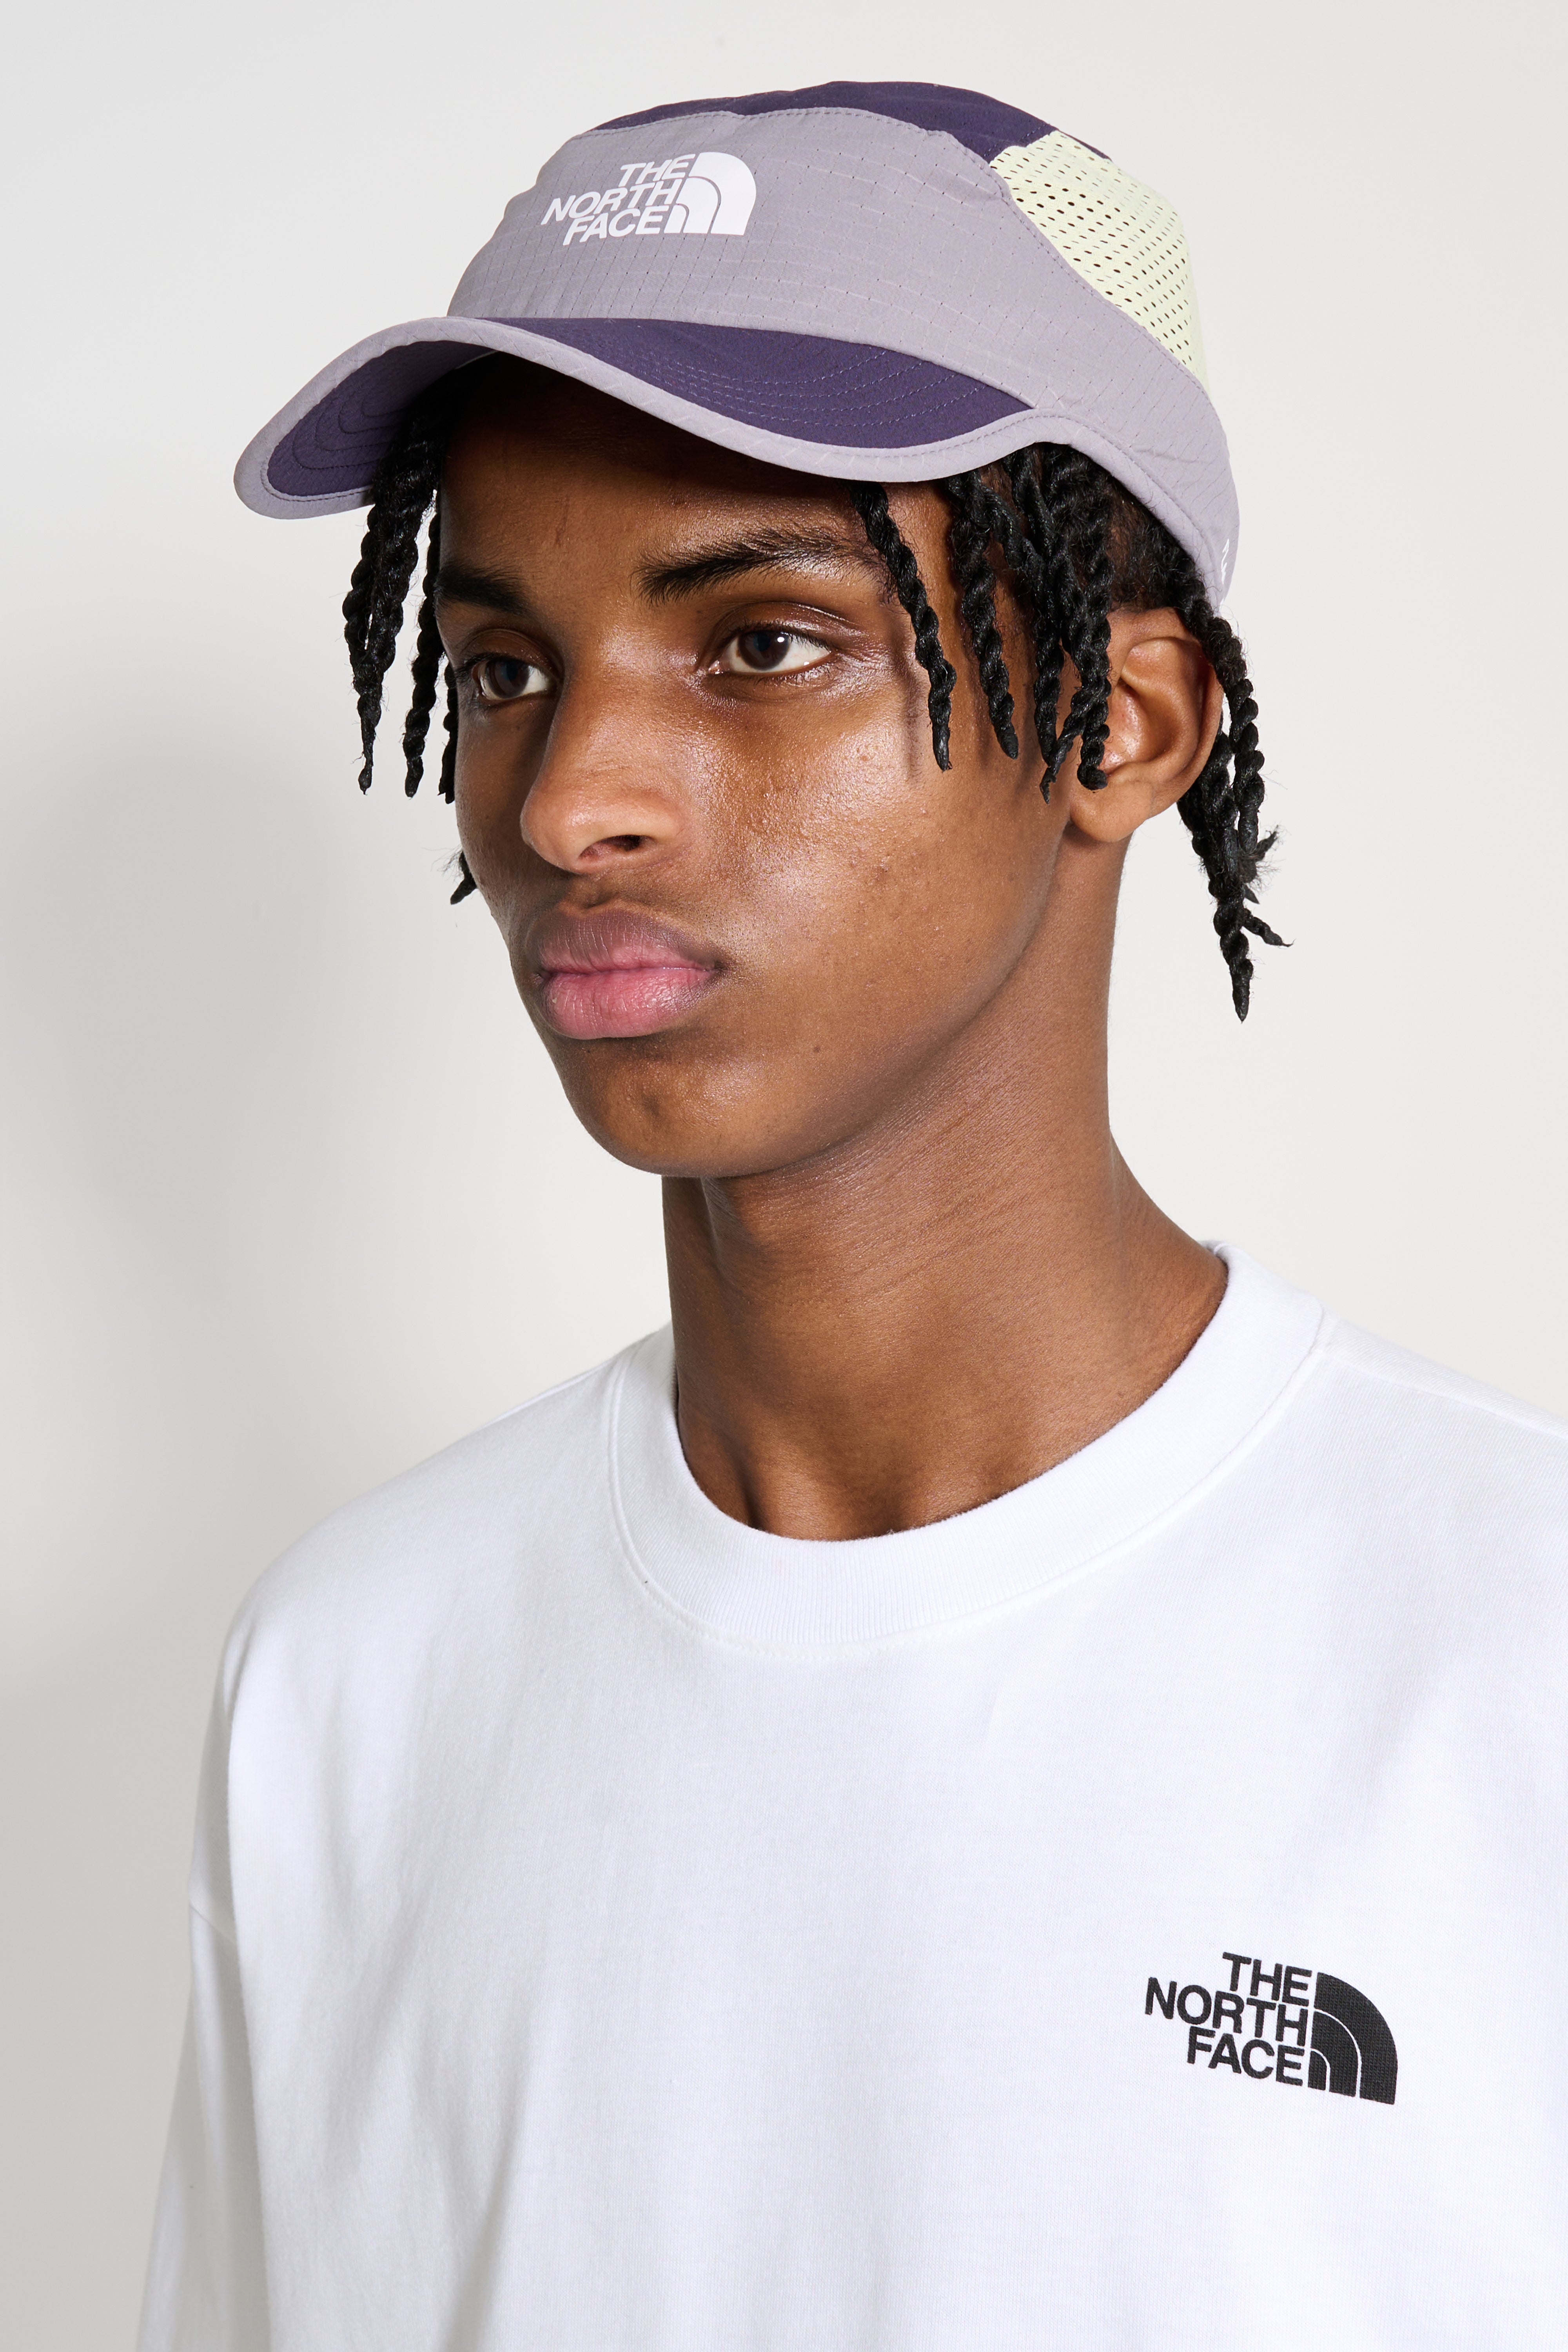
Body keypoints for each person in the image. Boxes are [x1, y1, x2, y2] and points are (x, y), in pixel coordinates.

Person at [139, 81, 1567, 2350]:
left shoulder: (1511, 1653)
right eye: (504, 669)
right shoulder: (352, 1673)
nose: (571, 798)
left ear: (1122, 724)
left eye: (762, 644)